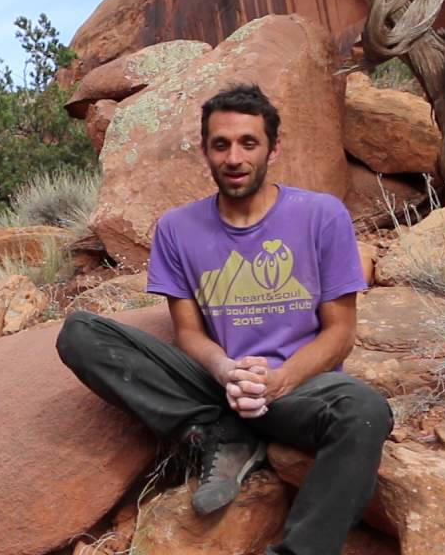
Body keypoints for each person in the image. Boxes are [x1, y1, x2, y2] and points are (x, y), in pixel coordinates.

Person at [56, 83, 392, 555]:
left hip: (297, 388)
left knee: (365, 412)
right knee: (80, 333)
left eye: (248, 143)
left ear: (273, 148)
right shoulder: (177, 228)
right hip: (218, 386)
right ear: (205, 151)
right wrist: (225, 370)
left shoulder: (321, 216)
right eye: (221, 144)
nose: (234, 158)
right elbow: (189, 332)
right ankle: (222, 435)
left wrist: (279, 381)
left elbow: (340, 332)